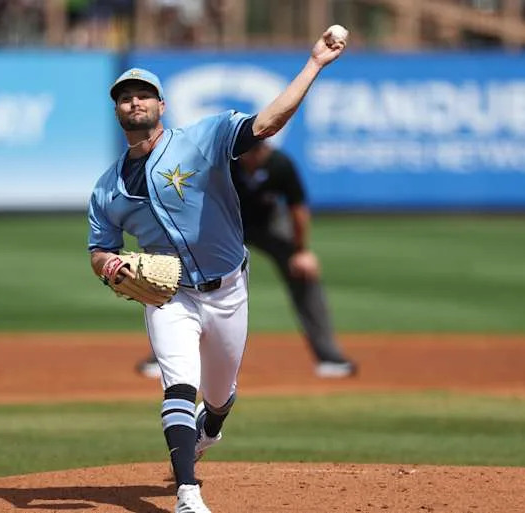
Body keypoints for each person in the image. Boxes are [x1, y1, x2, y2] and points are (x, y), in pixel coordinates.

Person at [87, 29, 347, 513]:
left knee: (221, 394)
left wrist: (313, 64)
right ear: (117, 110)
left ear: (161, 105)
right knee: (179, 384)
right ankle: (188, 493)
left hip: (228, 288)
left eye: (143, 94)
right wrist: (111, 266)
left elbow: (266, 123)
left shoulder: (203, 138)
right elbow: (99, 249)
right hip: (170, 296)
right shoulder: (107, 189)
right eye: (125, 97)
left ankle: (214, 424)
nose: (134, 101)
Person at [136, 140, 356, 379]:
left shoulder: (280, 165)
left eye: (255, 151)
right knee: (188, 276)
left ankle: (330, 357)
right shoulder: (224, 165)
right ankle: (163, 356)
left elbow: (297, 209)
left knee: (304, 272)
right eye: (244, 152)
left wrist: (301, 251)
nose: (249, 157)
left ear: (265, 149)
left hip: (267, 224)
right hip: (224, 223)